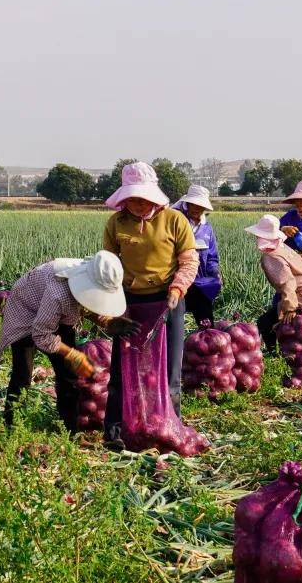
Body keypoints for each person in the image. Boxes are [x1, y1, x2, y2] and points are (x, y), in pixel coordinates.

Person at [100, 161, 199, 448]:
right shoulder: (116, 223)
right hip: (128, 301)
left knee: (170, 371)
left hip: (168, 300)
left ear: (154, 196)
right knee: (122, 369)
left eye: (143, 199)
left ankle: (171, 428)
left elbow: (189, 261)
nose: (138, 204)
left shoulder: (174, 221)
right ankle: (115, 431)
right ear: (123, 198)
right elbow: (108, 266)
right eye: (132, 199)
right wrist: (114, 304)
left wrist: (178, 288)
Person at [0, 251, 139, 430]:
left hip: (54, 313)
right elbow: (41, 335)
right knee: (22, 374)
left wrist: (107, 321)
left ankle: (69, 429)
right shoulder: (59, 293)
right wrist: (73, 354)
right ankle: (11, 427)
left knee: (69, 375)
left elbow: (86, 304)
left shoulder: (93, 275)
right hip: (24, 311)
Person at [246, 215, 302, 334]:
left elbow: (287, 282)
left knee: (266, 323)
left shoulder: (271, 256)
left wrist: (290, 309)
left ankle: (277, 353)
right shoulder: (281, 246)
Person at [172, 184, 221, 326]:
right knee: (175, 320)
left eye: (201, 206)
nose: (197, 209)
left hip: (200, 282)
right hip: (177, 279)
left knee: (206, 321)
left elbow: (212, 256)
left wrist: (215, 272)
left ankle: (206, 344)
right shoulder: (177, 221)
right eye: (194, 204)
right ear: (187, 203)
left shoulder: (207, 228)